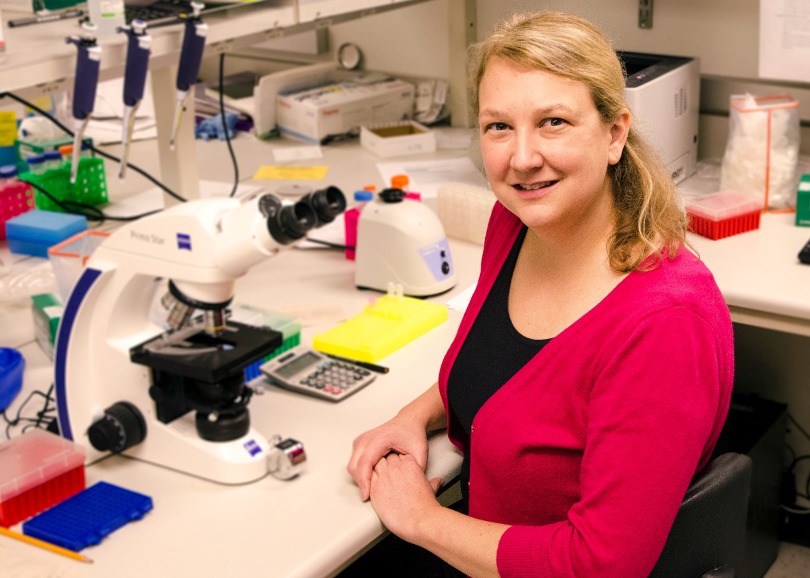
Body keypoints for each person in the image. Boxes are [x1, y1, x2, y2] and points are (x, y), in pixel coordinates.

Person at [345, 10, 734, 578]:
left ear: (615, 133)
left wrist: (422, 519)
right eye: (498, 126)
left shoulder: (664, 323)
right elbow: (511, 369)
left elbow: (600, 565)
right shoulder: (518, 223)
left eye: (553, 122)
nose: (521, 158)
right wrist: (414, 415)